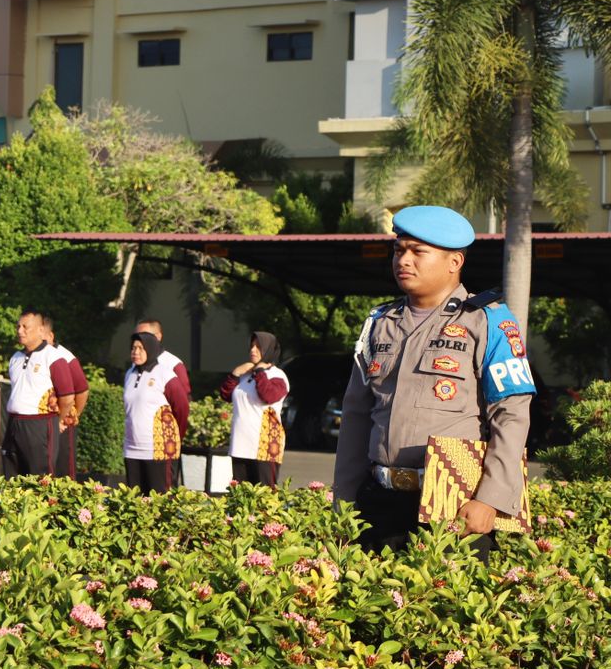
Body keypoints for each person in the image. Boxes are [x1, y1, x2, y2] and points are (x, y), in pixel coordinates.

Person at [334, 206, 534, 556]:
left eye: (418, 252)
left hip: (454, 503)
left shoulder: (488, 321)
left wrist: (490, 499)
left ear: (454, 262)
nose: (403, 260)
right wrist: (344, 499)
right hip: (379, 501)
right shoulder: (380, 323)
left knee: (447, 607)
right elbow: (356, 414)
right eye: (399, 250)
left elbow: (511, 414)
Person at [2, 310, 76, 476]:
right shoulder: (15, 357)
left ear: (40, 330)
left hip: (40, 424)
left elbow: (67, 397)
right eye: (18, 326)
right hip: (14, 422)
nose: (20, 331)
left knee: (39, 478)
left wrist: (58, 419)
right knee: (11, 474)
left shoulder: (53, 357)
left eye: (25, 327)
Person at [218, 331, 290, 487]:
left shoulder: (277, 375)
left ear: (269, 350)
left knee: (264, 497)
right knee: (240, 497)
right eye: (251, 346)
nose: (253, 350)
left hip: (264, 446)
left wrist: (259, 372)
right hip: (240, 444)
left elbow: (268, 395)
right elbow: (226, 394)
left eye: (258, 347)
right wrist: (235, 374)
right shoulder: (245, 374)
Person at [122, 330, 190, 493]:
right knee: (135, 501)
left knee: (159, 500)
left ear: (151, 349)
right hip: (132, 449)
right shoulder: (129, 374)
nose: (135, 352)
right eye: (133, 348)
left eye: (140, 348)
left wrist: (176, 436)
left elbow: (182, 408)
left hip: (158, 450)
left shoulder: (165, 374)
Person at [43, 316, 92, 479]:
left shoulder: (65, 357)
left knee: (63, 471)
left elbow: (82, 390)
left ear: (50, 336)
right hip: (40, 423)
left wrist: (68, 417)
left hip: (62, 422)